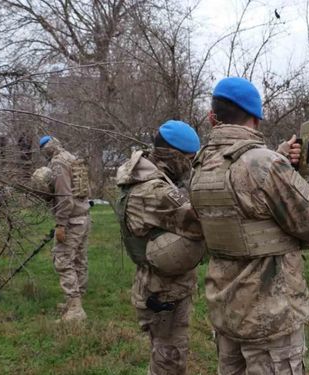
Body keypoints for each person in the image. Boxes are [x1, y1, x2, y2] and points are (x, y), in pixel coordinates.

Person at [190, 77, 309, 374]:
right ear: (257, 119)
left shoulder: (201, 164)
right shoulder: (263, 164)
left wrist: (278, 157)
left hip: (226, 312)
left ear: (212, 118)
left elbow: (243, 202)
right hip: (270, 319)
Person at [114, 120, 204, 375]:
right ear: (173, 157)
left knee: (163, 353)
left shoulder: (141, 175)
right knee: (170, 359)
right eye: (189, 159)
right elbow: (201, 224)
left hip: (153, 284)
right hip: (164, 291)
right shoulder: (156, 192)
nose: (191, 165)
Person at [37, 136, 91, 322]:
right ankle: (76, 300)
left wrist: (61, 224)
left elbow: (64, 196)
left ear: (47, 150)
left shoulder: (58, 164)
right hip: (83, 216)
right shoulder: (71, 157)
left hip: (71, 220)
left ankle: (75, 308)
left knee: (63, 260)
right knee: (79, 259)